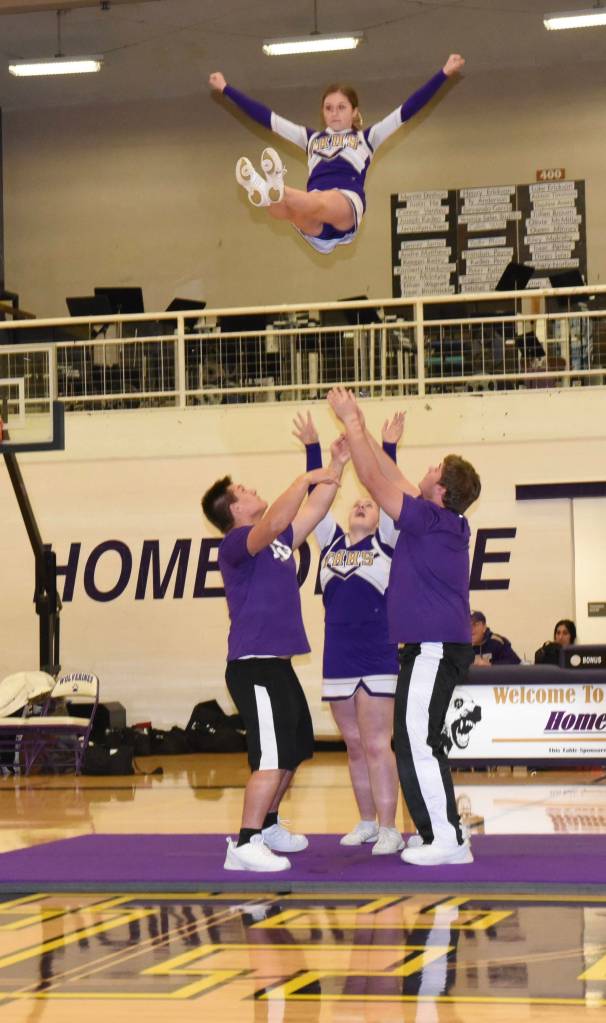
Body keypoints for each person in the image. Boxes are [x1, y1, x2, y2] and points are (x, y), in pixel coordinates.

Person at [327, 386, 481, 867]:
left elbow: (375, 481)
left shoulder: (434, 520)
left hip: (435, 646)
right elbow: (387, 473)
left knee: (418, 738)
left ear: (441, 490)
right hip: (428, 647)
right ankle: (438, 831)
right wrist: (361, 426)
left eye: (435, 468)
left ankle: (447, 838)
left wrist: (352, 423)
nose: (426, 469)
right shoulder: (435, 517)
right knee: (415, 736)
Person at [201, 440, 348, 872]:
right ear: (235, 509)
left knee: (293, 749)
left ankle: (267, 826)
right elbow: (282, 516)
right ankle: (245, 844)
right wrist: (305, 476)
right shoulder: (237, 543)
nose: (252, 490)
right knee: (269, 757)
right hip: (253, 666)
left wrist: (337, 463)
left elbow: (315, 508)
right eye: (244, 490)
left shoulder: (278, 543)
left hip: (278, 666)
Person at [208, 55, 464, 254]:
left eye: (341, 107)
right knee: (287, 211)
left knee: (318, 201)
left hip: (345, 205)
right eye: (329, 108)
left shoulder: (368, 138)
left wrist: (443, 74)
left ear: (354, 111)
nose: (335, 113)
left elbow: (408, 109)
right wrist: (226, 89)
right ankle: (265, 191)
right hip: (315, 223)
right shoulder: (311, 139)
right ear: (322, 112)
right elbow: (267, 118)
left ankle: (274, 187)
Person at [293, 409, 403, 854]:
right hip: (337, 656)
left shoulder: (386, 543)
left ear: (379, 518)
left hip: (377, 653)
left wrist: (388, 447)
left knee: (377, 743)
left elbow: (389, 490)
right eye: (356, 503)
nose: (361, 505)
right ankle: (366, 822)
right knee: (354, 745)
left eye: (368, 505)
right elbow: (315, 501)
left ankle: (391, 827)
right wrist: (314, 450)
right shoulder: (332, 542)